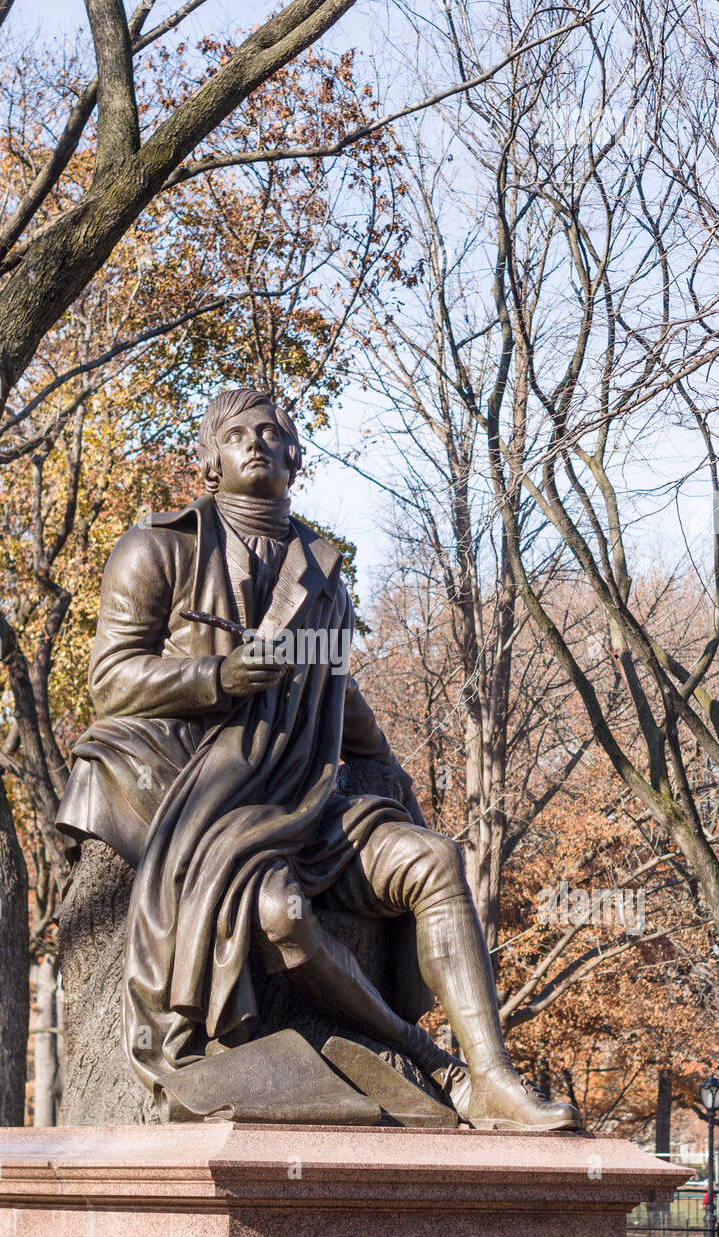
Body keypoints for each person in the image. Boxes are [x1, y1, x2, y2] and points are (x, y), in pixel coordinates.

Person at [56, 387, 579, 1131]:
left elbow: (340, 690)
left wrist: (390, 773)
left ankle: (493, 1076)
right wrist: (217, 678)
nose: (260, 443)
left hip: (307, 796)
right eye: (239, 434)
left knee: (435, 858)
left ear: (297, 458)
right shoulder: (158, 547)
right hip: (202, 797)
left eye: (275, 433)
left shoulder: (320, 571)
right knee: (279, 910)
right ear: (210, 459)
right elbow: (110, 677)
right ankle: (431, 1062)